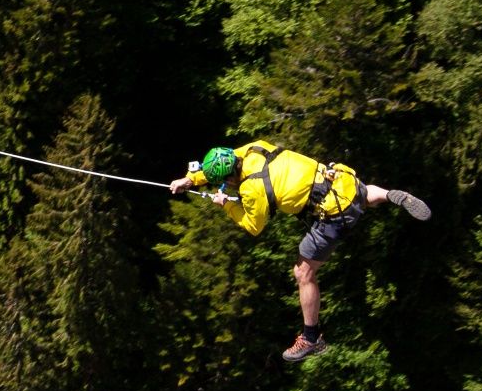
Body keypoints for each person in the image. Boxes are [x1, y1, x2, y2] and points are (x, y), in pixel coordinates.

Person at [167, 141, 430, 362]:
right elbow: (224, 166)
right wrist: (190, 179)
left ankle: (310, 338)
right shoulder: (253, 149)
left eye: (224, 183)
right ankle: (389, 194)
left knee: (303, 273)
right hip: (340, 180)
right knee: (361, 193)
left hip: (334, 213)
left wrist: (225, 204)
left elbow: (252, 226)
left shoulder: (251, 189)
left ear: (230, 178)